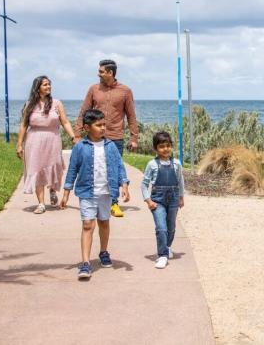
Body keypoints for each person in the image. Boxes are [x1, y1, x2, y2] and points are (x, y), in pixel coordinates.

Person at [61, 109, 130, 280]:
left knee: (104, 223)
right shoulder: (79, 147)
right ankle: (85, 263)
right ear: (86, 127)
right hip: (87, 192)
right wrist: (66, 193)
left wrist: (124, 185)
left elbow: (119, 166)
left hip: (106, 192)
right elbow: (72, 171)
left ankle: (103, 252)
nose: (102, 128)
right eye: (98, 125)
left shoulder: (110, 146)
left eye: (104, 125)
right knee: (87, 225)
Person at [73, 59, 138, 218]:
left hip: (115, 137)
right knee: (95, 168)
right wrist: (77, 134)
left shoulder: (125, 91)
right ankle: (94, 200)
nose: (98, 74)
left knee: (114, 170)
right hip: (94, 137)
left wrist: (134, 138)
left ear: (110, 73)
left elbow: (131, 116)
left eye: (101, 71)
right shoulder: (93, 89)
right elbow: (84, 111)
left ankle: (114, 203)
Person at [16, 75, 76, 214]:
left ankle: (53, 190)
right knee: (37, 169)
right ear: (37, 88)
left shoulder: (57, 103)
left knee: (54, 167)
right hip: (34, 141)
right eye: (45, 84)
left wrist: (73, 137)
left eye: (49, 84)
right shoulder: (29, 104)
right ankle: (41, 204)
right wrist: (19, 144)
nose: (48, 86)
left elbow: (65, 122)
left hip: (53, 139)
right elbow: (24, 125)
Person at [141, 131, 185, 269]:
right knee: (161, 228)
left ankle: (167, 246)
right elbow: (144, 184)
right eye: (161, 146)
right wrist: (148, 200)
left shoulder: (177, 163)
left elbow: (180, 181)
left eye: (167, 145)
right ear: (155, 149)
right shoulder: (152, 164)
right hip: (157, 200)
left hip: (173, 199)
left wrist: (181, 197)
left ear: (171, 146)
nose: (165, 149)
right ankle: (162, 255)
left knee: (171, 227)